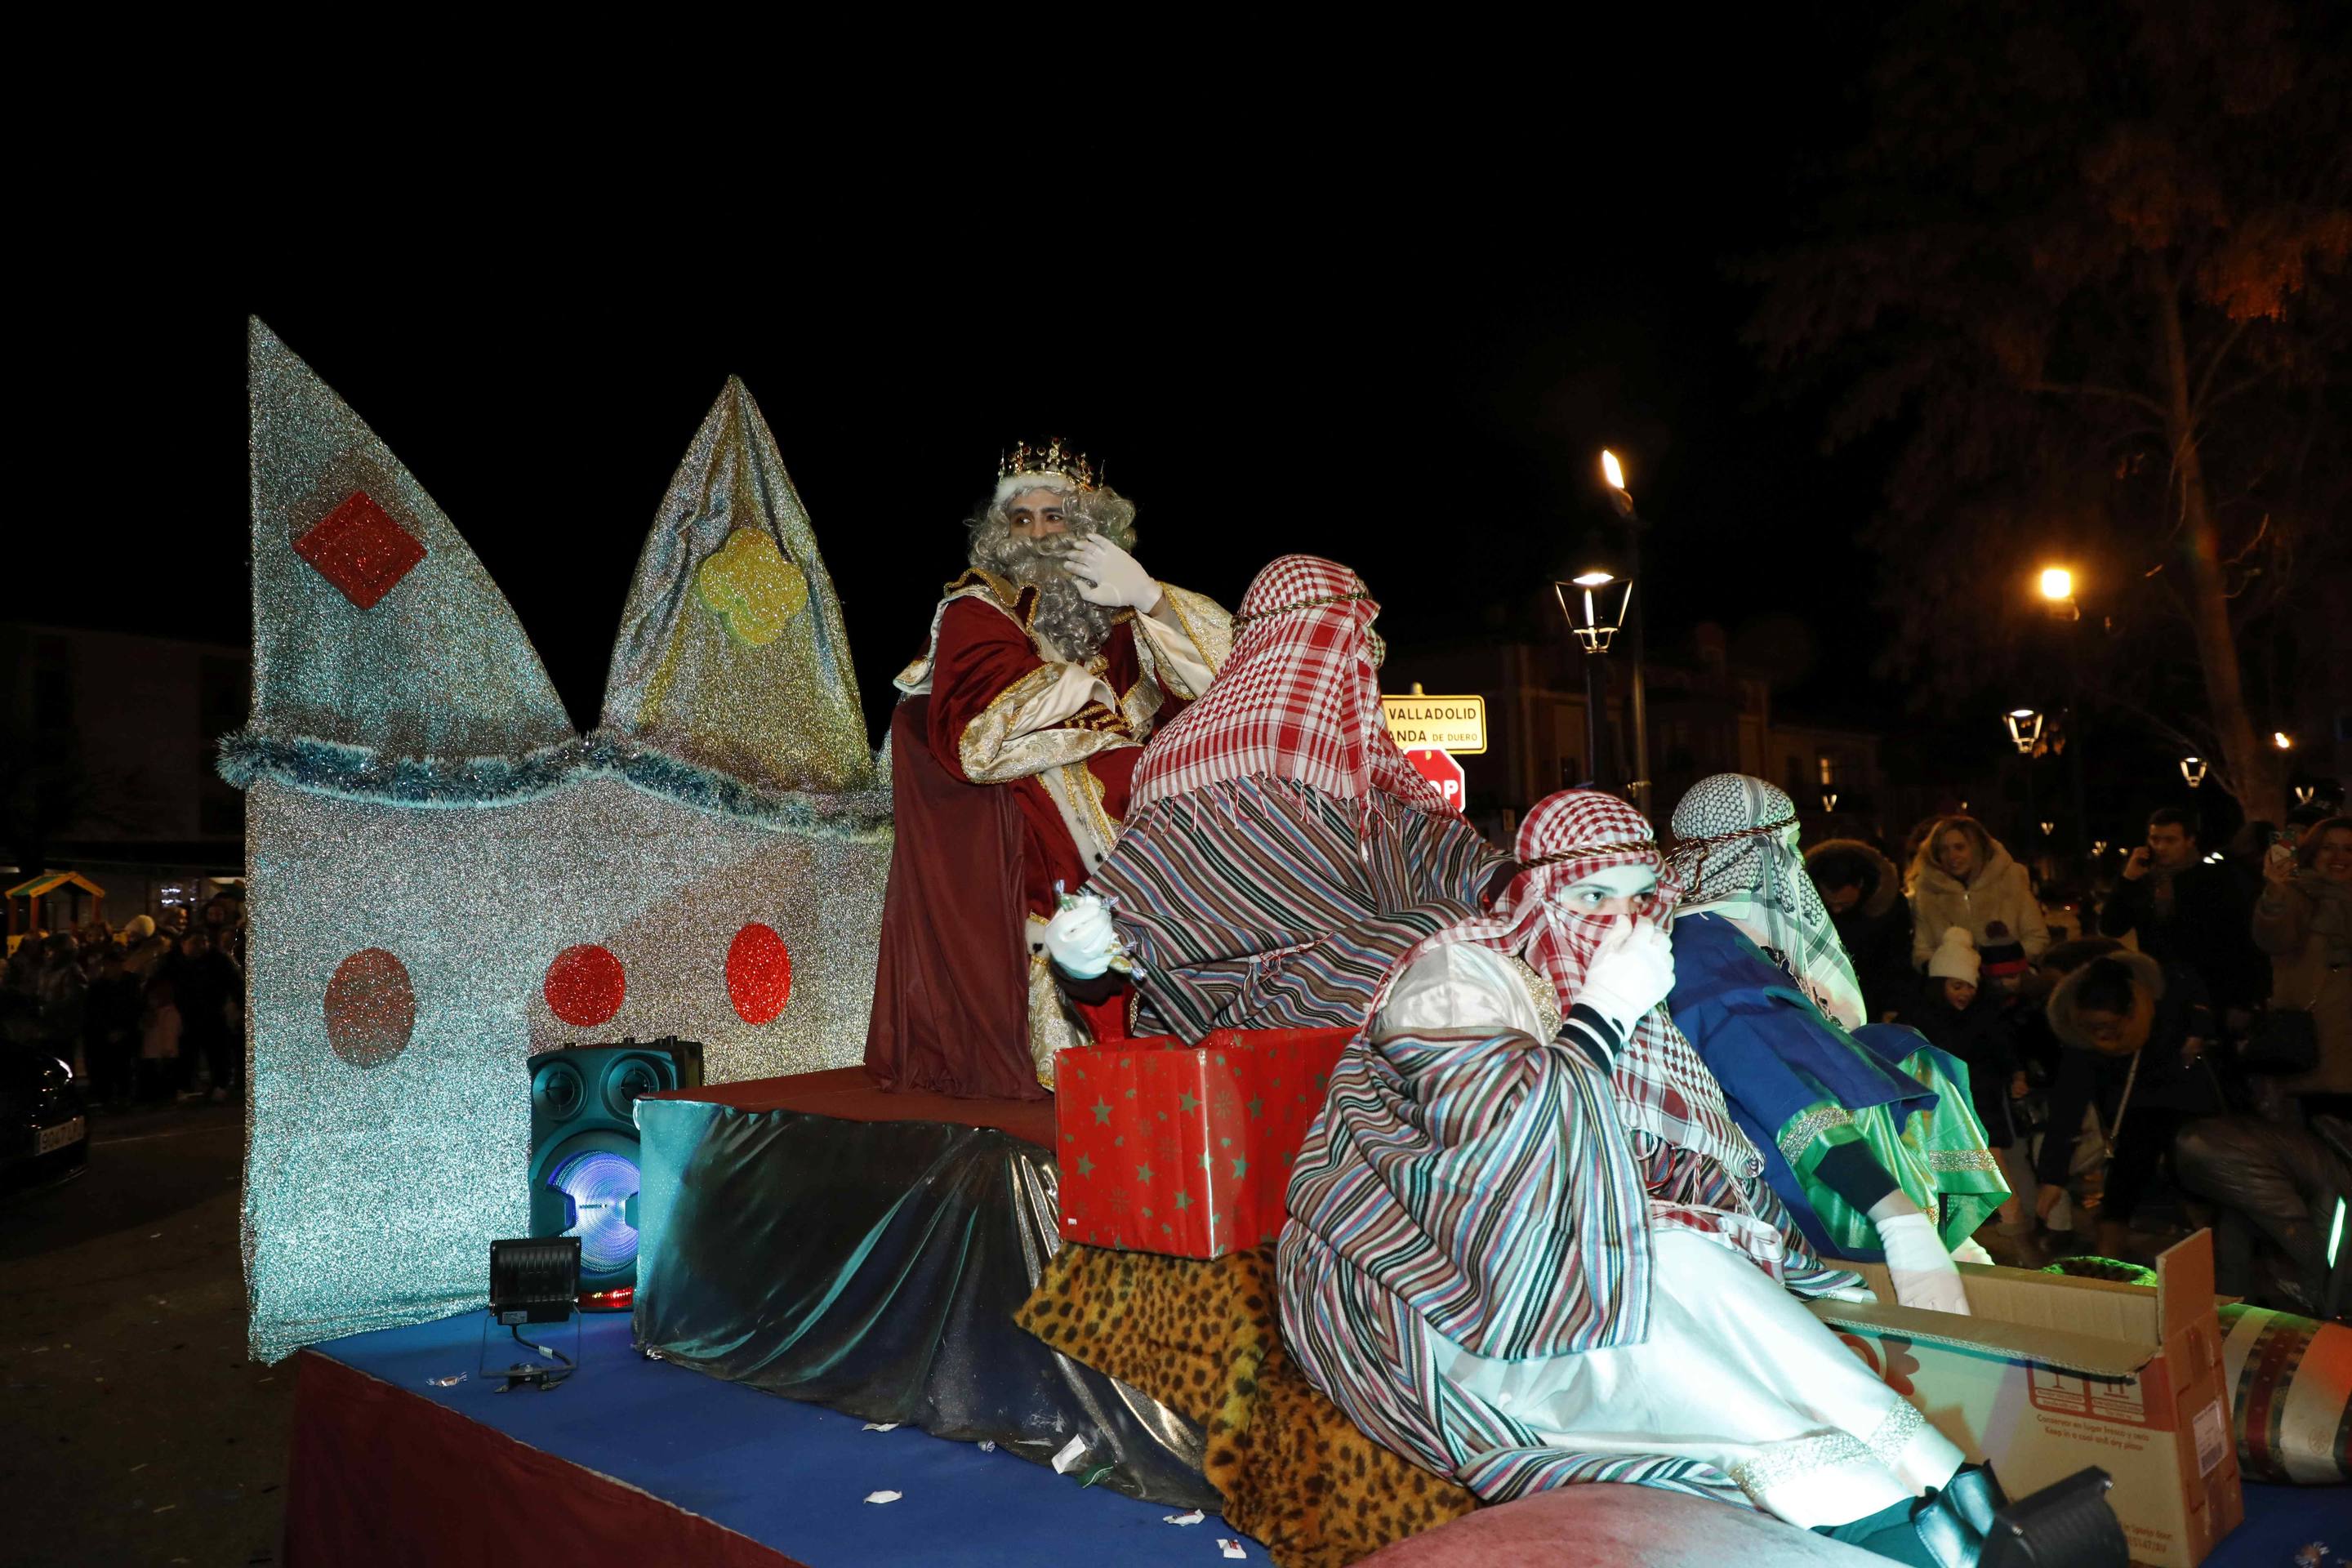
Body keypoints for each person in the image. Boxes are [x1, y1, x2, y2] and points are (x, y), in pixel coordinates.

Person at [1276, 791, 2006, 1565]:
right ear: (1539, 891)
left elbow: (1696, 1159)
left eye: (1639, 896)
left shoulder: (1627, 977)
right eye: (1593, 894)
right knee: (1661, 1306)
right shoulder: (1463, 976)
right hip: (1442, 1282)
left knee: (1700, 1267)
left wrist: (1804, 1266)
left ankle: (1946, 1488)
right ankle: (1882, 1520)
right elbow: (1490, 1160)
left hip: (1597, 1244)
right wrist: (1600, 1016)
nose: (1618, 919)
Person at [866, 443, 1230, 1097]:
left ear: (1089, 526)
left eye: (1054, 517)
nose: (1036, 533)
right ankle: (1082, 1039)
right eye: (1021, 518)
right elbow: (978, 733)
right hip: (1026, 791)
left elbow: (1232, 682)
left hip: (1142, 786)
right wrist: (1091, 702)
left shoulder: (1114, 613)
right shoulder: (980, 605)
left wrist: (1152, 599)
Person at [1044, 555, 1511, 1043]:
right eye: (1351, 650)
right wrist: (1086, 954)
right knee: (1442, 950)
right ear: (1312, 649)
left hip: (1368, 977)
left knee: (1457, 936)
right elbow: (1141, 903)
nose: (1366, 671)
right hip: (1249, 1016)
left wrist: (1521, 878)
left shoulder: (1366, 768)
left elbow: (1445, 854)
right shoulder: (1191, 759)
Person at [1667, 775, 2005, 1302]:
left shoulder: (1722, 934)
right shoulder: (1709, 950)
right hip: (1764, 1160)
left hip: (1787, 1131)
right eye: (1790, 847)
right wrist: (1896, 1217)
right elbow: (1778, 1083)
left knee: (1900, 1048)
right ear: (1763, 852)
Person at [2034, 953, 2225, 1263]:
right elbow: (2066, 1107)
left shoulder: (2163, 1010)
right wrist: (2052, 1178)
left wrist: (2197, 1031)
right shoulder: (2078, 1038)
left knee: (2192, 1174)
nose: (2100, 1035)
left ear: (2130, 1013)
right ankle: (2109, 1261)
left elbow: (2193, 990)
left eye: (2108, 1025)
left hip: (2183, 1097)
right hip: (2133, 1109)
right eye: (2090, 1026)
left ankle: (2214, 1253)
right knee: (2123, 1182)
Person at [1900, 929, 2036, 1247]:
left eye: (1970, 987)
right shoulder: (1921, 1016)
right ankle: (1952, 1232)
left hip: (1981, 1102)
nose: (1964, 993)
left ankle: (2014, 1224)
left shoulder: (1985, 1016)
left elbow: (2004, 1051)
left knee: (1992, 1162)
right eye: (1957, 985)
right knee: (1941, 1166)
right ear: (1940, 984)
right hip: (1938, 1104)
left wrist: (2016, 1074)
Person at [2098, 808, 2267, 1020]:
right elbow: (2111, 926)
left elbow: (2236, 941)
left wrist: (2240, 1001)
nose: (2161, 847)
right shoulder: (2144, 880)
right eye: (2155, 839)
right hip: (2160, 992)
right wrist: (2128, 879)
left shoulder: (2214, 879)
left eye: (2170, 841)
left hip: (2210, 995)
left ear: (2190, 841)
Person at [2251, 814, 2352, 1115]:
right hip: (2316, 1053)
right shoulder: (2298, 895)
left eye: (2349, 849)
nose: (2339, 857)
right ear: (2312, 853)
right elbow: (2271, 938)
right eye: (2328, 848)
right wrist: (2276, 891)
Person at [1905, 816, 2050, 989]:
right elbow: (1922, 951)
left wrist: (2007, 966)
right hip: (1956, 996)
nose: (1952, 856)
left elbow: (2037, 937)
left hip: (2009, 988)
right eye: (1944, 850)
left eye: (1959, 847)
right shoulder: (1928, 893)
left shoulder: (2010, 880)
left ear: (1976, 849)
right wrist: (1948, 972)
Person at [1806, 838, 1915, 1022]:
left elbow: (1898, 959)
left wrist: (1893, 1005)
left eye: (1843, 904)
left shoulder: (1889, 906)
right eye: (1830, 904)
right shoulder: (1804, 901)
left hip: (1872, 998)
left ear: (1861, 884)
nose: (1836, 910)